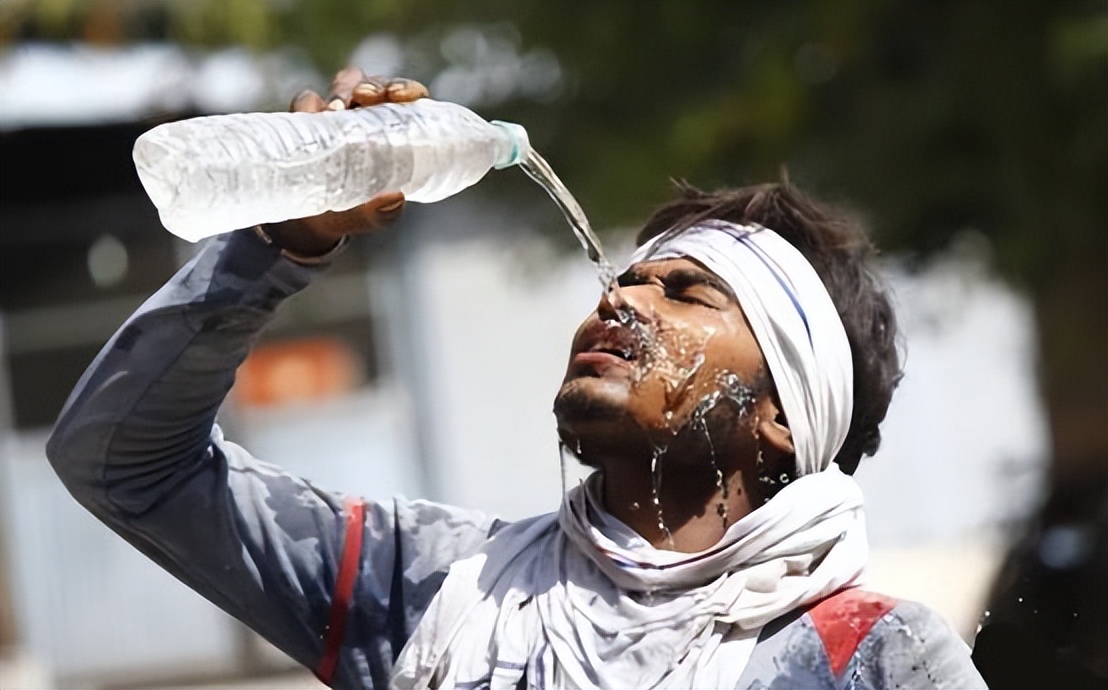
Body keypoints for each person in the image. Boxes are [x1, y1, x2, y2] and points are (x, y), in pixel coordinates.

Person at [46, 68, 987, 689]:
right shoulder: (438, 586)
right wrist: (277, 246)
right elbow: (125, 464)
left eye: (689, 293)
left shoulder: (867, 656)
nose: (624, 302)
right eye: (627, 279)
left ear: (784, 416)